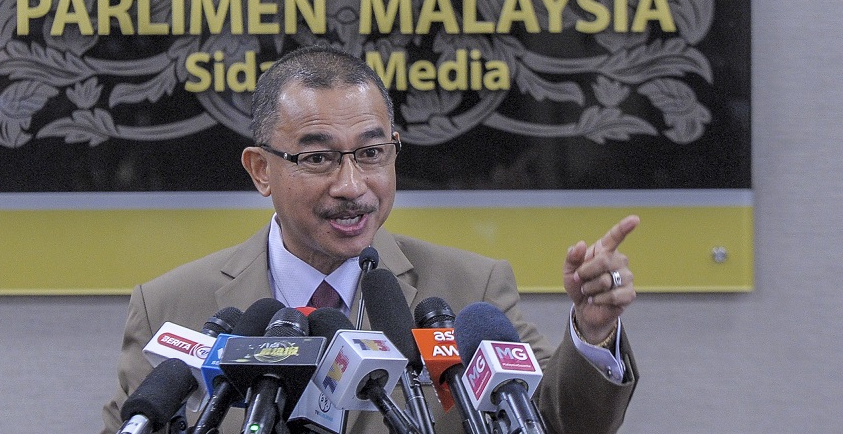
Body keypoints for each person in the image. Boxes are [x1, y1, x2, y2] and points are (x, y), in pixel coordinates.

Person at [100, 44, 639, 434]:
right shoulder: (171, 309)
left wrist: (593, 334)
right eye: (318, 157)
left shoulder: (469, 289)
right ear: (261, 170)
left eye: (372, 153)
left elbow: (554, 423)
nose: (353, 186)